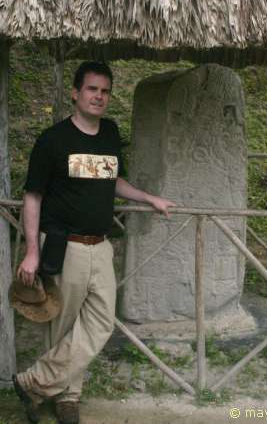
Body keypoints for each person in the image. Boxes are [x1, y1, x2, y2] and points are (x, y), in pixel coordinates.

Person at [12, 61, 176, 424]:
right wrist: (32, 251)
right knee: (61, 325)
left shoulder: (110, 134)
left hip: (100, 246)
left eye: (104, 91)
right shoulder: (52, 141)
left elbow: (113, 179)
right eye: (91, 89)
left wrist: (149, 198)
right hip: (62, 245)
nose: (98, 96)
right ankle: (67, 398)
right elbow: (33, 197)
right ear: (75, 92)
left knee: (100, 322)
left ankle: (33, 383)